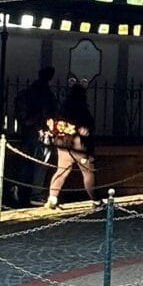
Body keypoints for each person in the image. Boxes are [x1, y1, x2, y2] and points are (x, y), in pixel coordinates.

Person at [44, 74, 99, 208]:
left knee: (62, 171)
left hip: (63, 143)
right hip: (79, 146)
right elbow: (89, 127)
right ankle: (95, 199)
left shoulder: (63, 108)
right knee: (87, 173)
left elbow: (56, 122)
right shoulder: (83, 109)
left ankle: (52, 198)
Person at [13, 64, 58, 206]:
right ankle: (36, 194)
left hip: (27, 132)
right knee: (41, 164)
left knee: (26, 163)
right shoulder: (47, 94)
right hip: (41, 132)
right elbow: (50, 112)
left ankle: (20, 190)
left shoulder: (28, 92)